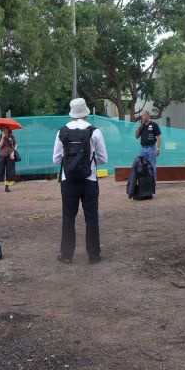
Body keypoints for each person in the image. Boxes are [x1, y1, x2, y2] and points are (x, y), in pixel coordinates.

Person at [53, 98, 108, 264]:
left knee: (68, 218)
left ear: (72, 113)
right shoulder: (95, 132)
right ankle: (94, 255)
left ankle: (66, 255)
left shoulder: (62, 131)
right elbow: (103, 158)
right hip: (89, 180)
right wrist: (89, 161)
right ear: (85, 112)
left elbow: (56, 159)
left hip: (68, 180)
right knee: (91, 218)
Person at [134, 110, 161, 177]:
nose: (142, 117)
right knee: (142, 166)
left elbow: (158, 137)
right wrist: (139, 128)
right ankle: (144, 182)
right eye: (142, 115)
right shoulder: (141, 125)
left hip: (151, 148)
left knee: (152, 166)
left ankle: (153, 182)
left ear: (148, 116)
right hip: (143, 149)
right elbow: (136, 137)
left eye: (144, 115)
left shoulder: (154, 125)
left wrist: (157, 148)